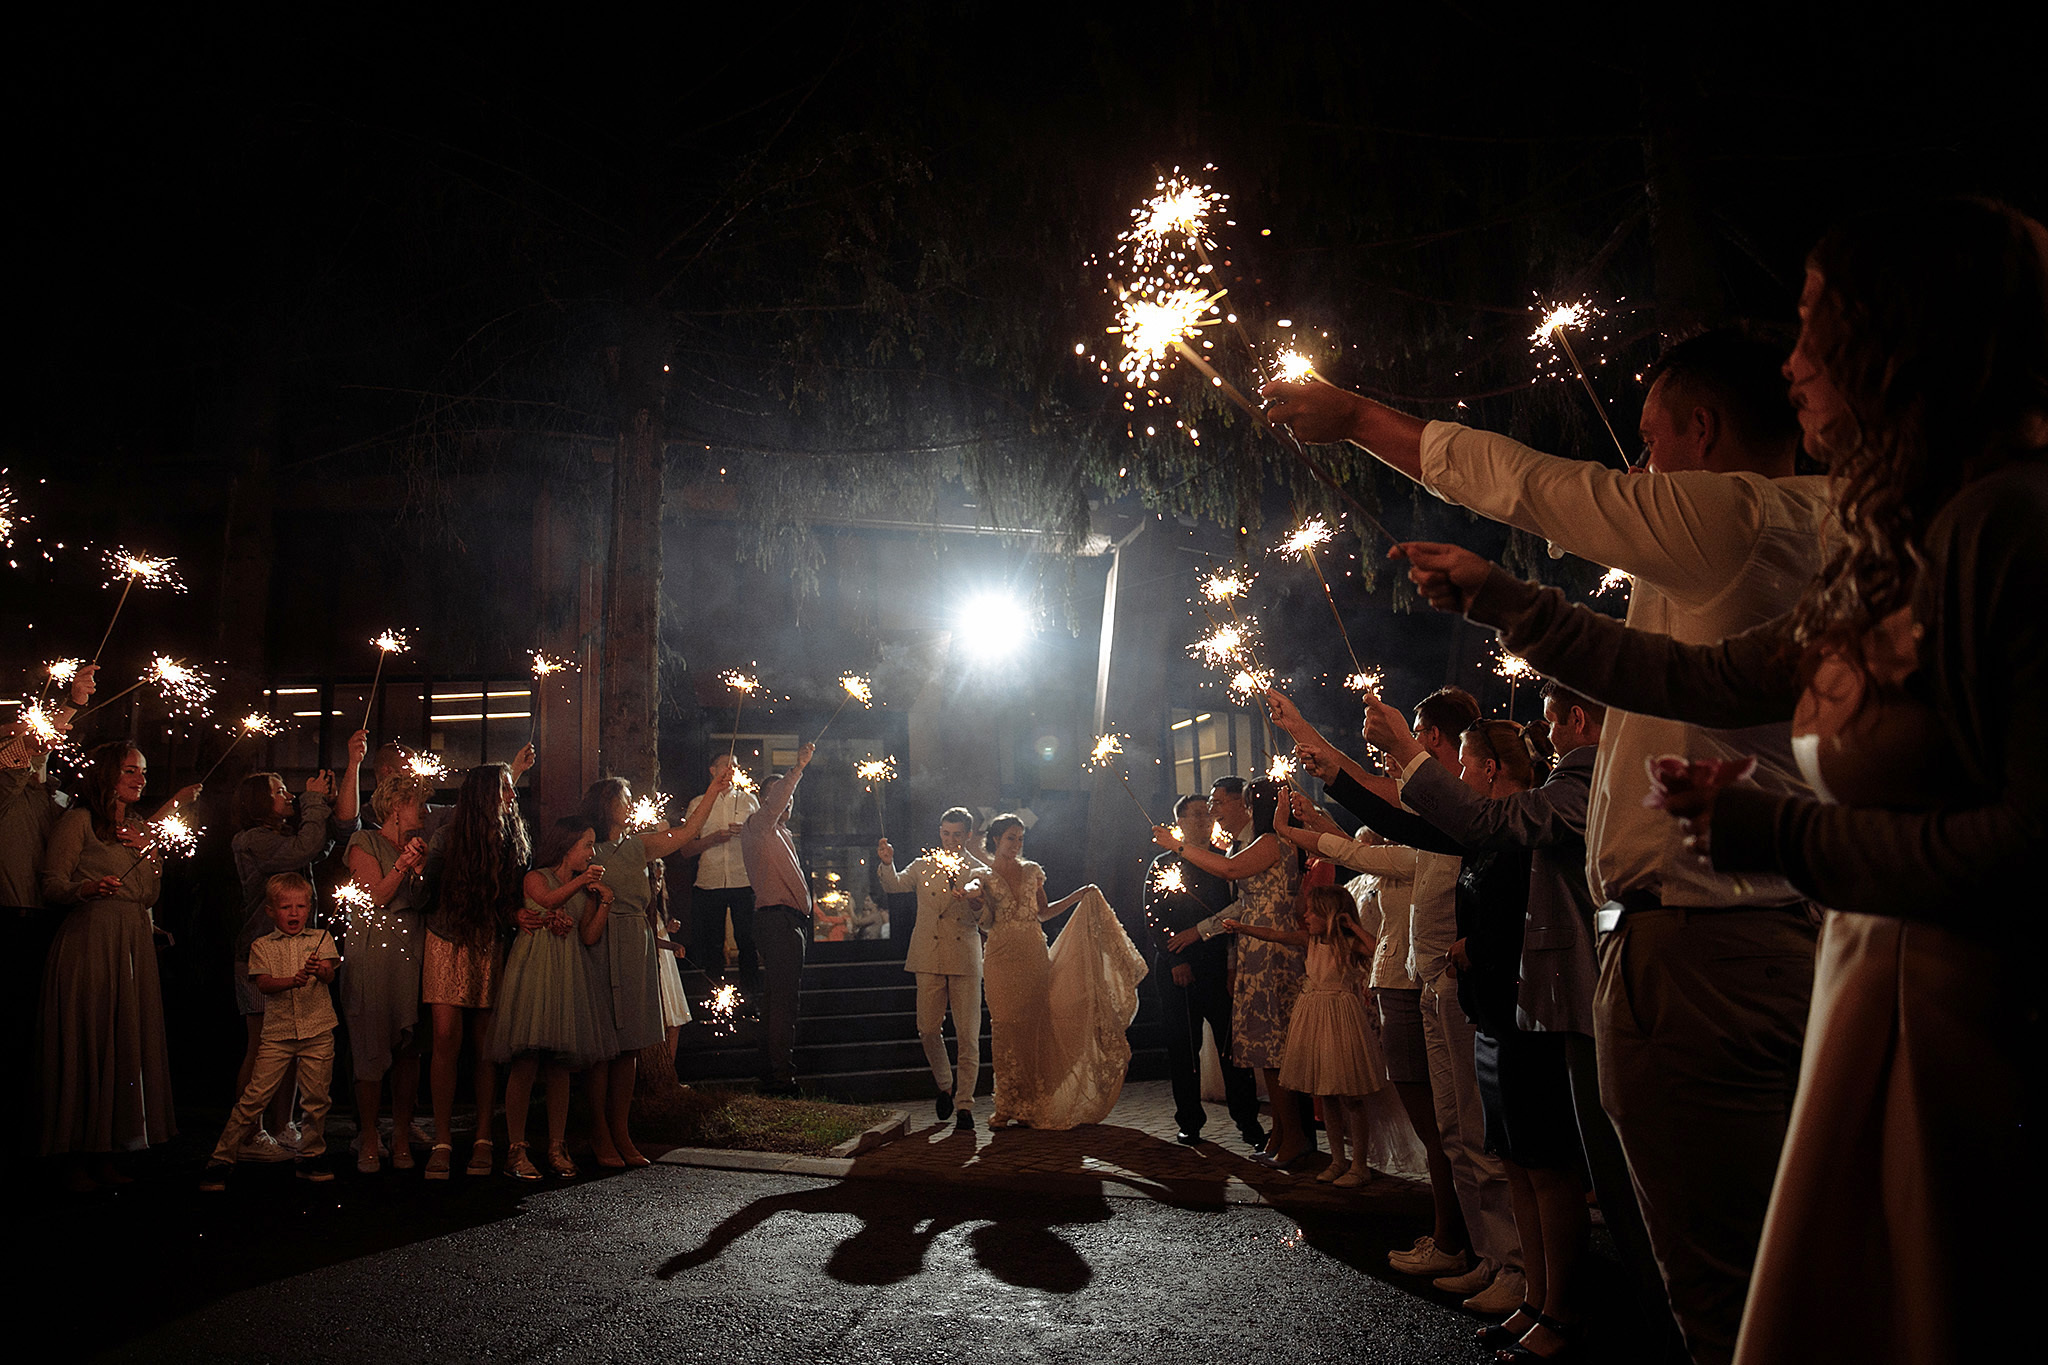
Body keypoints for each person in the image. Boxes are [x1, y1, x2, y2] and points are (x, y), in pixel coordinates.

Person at [1395, 197, 2048, 1365]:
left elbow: (2023, 844)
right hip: (1858, 984)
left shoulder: (2002, 529)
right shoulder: (1889, 539)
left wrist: (1771, 832)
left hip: (1958, 1016)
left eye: (1813, 327)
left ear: (1901, 335)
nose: (1791, 363)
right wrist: (1509, 604)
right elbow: (1694, 671)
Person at [1266, 328, 1825, 1365]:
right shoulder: (1794, 544)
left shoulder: (1739, 516)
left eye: (1649, 444)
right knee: (1748, 1263)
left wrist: (1356, 420)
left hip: (1707, 942)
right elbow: (1652, 673)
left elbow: (1530, 487)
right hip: (1741, 933)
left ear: (1700, 434)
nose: (1633, 472)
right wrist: (1508, 604)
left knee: (1726, 1287)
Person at [1270, 690, 1522, 1310]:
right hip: (1429, 981)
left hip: (1459, 984)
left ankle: (1514, 1263)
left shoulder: (1495, 824)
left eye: (1464, 766)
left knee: (1479, 1132)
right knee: (1459, 1131)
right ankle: (1490, 1257)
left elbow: (1389, 831)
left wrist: (1327, 746)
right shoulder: (1453, 822)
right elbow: (1393, 823)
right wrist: (1320, 753)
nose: (1458, 777)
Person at [38, 741, 198, 1191]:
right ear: (108, 774)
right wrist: (86, 890)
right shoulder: (79, 822)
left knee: (122, 1041)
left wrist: (151, 850)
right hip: (91, 942)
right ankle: (73, 1159)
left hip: (132, 944)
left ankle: (106, 1153)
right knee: (88, 1042)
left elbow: (148, 895)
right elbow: (51, 884)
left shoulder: (139, 828)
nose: (140, 779)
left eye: (143, 771)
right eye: (131, 770)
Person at [1150, 777, 1312, 1166]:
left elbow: (1229, 874)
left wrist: (1178, 846)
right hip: (1249, 949)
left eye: (1218, 804)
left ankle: (1290, 1134)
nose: (1212, 812)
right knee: (1261, 1047)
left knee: (1272, 1047)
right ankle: (1281, 1131)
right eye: (1206, 806)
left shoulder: (1265, 844)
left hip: (1271, 947)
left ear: (1250, 805)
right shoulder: (1247, 845)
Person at [576, 771, 729, 1165]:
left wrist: (712, 790)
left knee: (629, 1048)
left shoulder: (638, 847)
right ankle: (599, 1134)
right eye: (624, 799)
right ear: (606, 804)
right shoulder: (586, 848)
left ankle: (622, 1133)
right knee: (603, 1048)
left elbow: (688, 831)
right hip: (599, 942)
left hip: (636, 945)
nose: (630, 806)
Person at [227, 733, 364, 1159]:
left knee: (290, 1041)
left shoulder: (278, 836)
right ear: (257, 802)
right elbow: (305, 846)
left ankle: (282, 1125)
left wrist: (323, 799)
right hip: (261, 953)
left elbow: (320, 843)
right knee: (261, 1045)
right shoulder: (252, 839)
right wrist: (311, 802)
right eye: (278, 791)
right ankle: (246, 1134)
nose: (287, 794)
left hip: (293, 951)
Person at [968, 813, 1144, 1129]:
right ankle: (1006, 1103)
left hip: (1032, 953)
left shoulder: (1032, 871)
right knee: (1004, 1025)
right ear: (996, 839)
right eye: (1011, 837)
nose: (1016, 844)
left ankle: (1030, 1102)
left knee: (1032, 1027)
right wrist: (975, 900)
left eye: (1020, 838)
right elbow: (985, 920)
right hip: (1000, 954)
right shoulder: (982, 875)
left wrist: (1079, 896)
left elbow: (1045, 913)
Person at [1225, 883, 1382, 1186]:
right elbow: (1274, 935)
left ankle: (1359, 1165)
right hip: (1315, 1017)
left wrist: (1350, 926)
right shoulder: (1309, 941)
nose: (1306, 916)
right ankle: (1338, 1160)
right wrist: (1242, 927)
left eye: (1313, 911)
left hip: (1340, 1019)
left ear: (1331, 915)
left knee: (1349, 1096)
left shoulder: (1348, 945)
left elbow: (1376, 948)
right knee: (1327, 1095)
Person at [488, 817, 617, 1180]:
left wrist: (604, 902)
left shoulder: (587, 889)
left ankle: (556, 1145)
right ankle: (516, 1147)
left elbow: (589, 936)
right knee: (526, 1059)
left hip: (567, 974)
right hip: (533, 971)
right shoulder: (537, 876)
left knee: (560, 1064)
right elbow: (546, 900)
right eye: (586, 845)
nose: (592, 853)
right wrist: (582, 882)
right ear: (567, 846)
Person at [419, 762, 531, 1179]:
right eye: (505, 788)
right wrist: (414, 869)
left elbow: (512, 896)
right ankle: (443, 1140)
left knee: (486, 1043)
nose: (513, 796)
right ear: (485, 794)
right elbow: (424, 895)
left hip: (489, 941)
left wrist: (517, 913)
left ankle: (483, 1136)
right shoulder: (448, 837)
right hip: (446, 940)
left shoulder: (512, 839)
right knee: (446, 1038)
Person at [199, 872, 340, 1189]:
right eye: (286, 906)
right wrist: (292, 980)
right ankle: (222, 1157)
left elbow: (331, 973)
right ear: (270, 911)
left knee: (317, 1098)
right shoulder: (261, 946)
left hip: (317, 1031)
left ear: (309, 907)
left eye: (300, 906)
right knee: (253, 1098)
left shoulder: (321, 940)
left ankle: (311, 1154)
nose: (294, 913)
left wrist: (322, 971)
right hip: (277, 1036)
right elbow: (263, 983)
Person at [1142, 792, 1261, 1148]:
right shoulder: (1163, 863)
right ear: (1179, 822)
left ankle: (1248, 1121)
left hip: (1218, 964)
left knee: (1232, 1047)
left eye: (1206, 814)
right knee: (1183, 1047)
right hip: (1178, 967)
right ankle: (1190, 1122)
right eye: (1194, 815)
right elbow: (1153, 916)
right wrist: (1177, 960)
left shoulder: (1225, 861)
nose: (1203, 820)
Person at [340, 769, 433, 1173]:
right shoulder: (363, 841)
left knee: (408, 1045)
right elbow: (375, 895)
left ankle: (400, 1132)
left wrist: (421, 868)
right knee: (371, 1044)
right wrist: (402, 865)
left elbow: (426, 900)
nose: (425, 810)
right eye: (418, 802)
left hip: (411, 948)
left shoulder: (420, 847)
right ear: (397, 807)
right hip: (373, 951)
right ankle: (369, 1135)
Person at [878, 805, 989, 1130]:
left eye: (957, 834)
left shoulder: (979, 871)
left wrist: (974, 900)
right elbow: (894, 884)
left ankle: (965, 1105)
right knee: (927, 1028)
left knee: (968, 1036)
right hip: (928, 954)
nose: (951, 840)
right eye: (945, 834)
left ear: (967, 835)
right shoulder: (923, 865)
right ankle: (945, 1084)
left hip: (965, 957)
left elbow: (986, 916)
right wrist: (887, 863)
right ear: (939, 833)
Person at [739, 744, 816, 1096]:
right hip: (777, 922)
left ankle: (771, 1074)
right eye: (781, 795)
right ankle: (782, 1079)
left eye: (790, 797)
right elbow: (774, 803)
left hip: (788, 923)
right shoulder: (758, 825)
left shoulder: (781, 834)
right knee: (783, 1002)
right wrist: (797, 769)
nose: (788, 802)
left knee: (777, 1000)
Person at [681, 753, 759, 979]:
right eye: (726, 765)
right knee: (713, 944)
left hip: (742, 880)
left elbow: (761, 841)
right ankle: (714, 994)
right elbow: (686, 849)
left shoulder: (749, 801)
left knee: (747, 942)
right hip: (710, 881)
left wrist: (746, 833)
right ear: (713, 770)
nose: (731, 769)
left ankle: (749, 998)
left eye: (735, 765)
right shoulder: (698, 803)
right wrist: (712, 839)